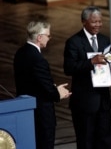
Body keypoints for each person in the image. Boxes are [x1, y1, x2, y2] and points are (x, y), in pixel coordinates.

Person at [63, 6, 111, 149]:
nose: (98, 25)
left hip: (103, 102)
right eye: (94, 22)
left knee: (105, 140)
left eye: (100, 21)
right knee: (86, 142)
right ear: (84, 22)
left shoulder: (105, 40)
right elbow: (68, 68)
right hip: (84, 103)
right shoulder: (74, 42)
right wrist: (91, 62)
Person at [13, 21, 72, 149]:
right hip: (41, 115)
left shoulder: (20, 53)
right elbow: (47, 88)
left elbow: (33, 83)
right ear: (39, 37)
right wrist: (58, 92)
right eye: (48, 36)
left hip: (25, 112)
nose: (49, 38)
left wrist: (53, 88)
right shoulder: (38, 59)